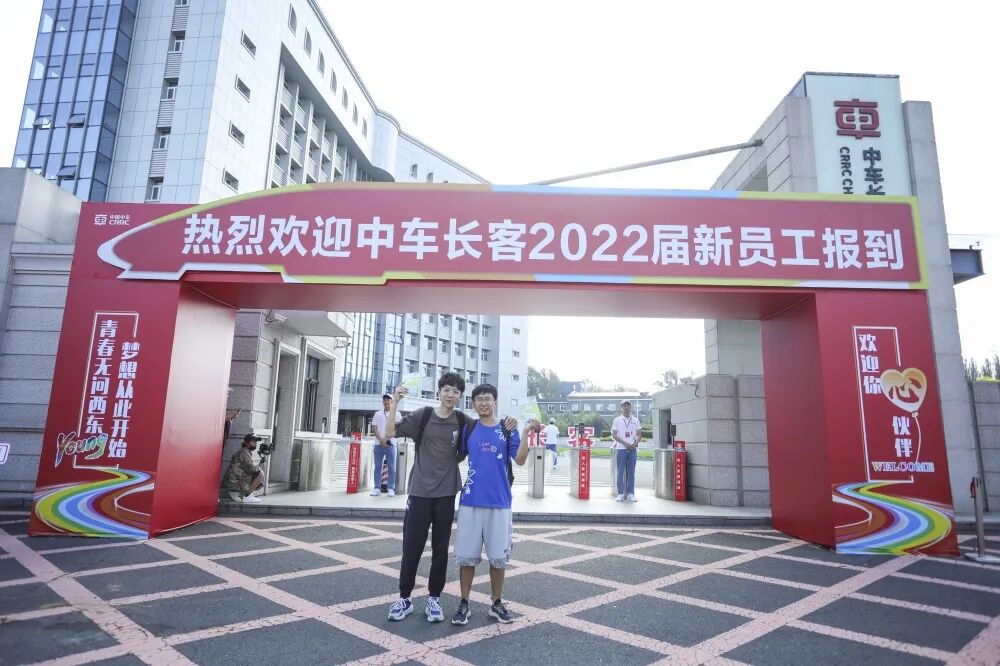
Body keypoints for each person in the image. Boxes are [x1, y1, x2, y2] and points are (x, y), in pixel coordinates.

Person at [384, 372, 477, 623]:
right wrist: (395, 403)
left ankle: (434, 599)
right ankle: (404, 598)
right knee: (412, 546)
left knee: (440, 548)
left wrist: (512, 424)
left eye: (455, 391)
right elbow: (390, 431)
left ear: (460, 396)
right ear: (439, 392)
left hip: (446, 492)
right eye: (447, 390)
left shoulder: (462, 420)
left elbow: (486, 430)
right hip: (420, 492)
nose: (450, 395)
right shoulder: (423, 415)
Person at [450, 383, 532, 626]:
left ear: (495, 401)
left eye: (488, 398)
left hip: (500, 502)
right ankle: (464, 602)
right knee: (466, 557)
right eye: (479, 399)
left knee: (498, 558)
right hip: (470, 501)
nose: (484, 403)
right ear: (473, 404)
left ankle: (496, 603)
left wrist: (526, 432)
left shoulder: (507, 429)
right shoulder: (469, 428)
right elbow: (454, 455)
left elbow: (520, 459)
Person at [370, 393, 401, 497]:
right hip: (378, 444)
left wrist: (386, 439)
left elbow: (397, 429)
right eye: (384, 400)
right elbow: (374, 428)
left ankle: (390, 488)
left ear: (392, 401)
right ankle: (377, 488)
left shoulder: (397, 414)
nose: (386, 401)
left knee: (392, 468)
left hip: (391, 444)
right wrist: (381, 440)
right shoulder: (377, 414)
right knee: (377, 467)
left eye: (388, 400)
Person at [611, 400, 641, 502]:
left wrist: (635, 444)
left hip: (632, 449)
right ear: (622, 407)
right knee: (620, 472)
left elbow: (639, 434)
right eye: (624, 405)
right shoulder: (617, 420)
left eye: (628, 405)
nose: (626, 407)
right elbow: (614, 434)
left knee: (631, 472)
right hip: (621, 449)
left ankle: (630, 494)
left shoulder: (635, 420)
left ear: (630, 407)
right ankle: (620, 493)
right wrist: (625, 443)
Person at [224, 434, 264, 504]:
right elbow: (251, 469)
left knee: (257, 472)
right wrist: (261, 465)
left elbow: (249, 468)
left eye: (256, 441)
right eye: (253, 441)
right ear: (246, 442)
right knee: (260, 473)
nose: (255, 443)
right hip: (234, 485)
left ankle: (246, 495)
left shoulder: (244, 451)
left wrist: (261, 463)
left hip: (235, 483)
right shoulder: (244, 453)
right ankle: (247, 496)